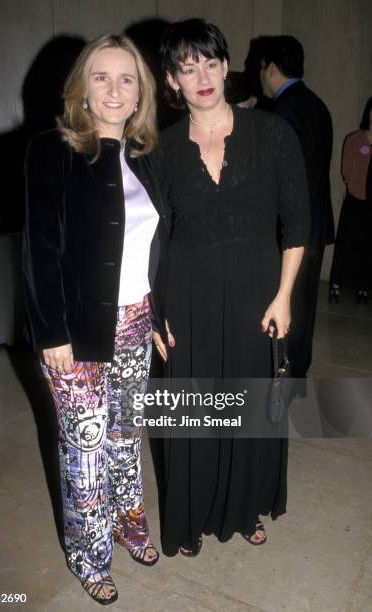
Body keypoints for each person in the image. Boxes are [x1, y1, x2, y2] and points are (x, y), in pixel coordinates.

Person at [151, 19, 309, 556]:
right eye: (187, 67)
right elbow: (156, 235)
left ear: (226, 66)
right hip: (189, 296)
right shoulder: (163, 149)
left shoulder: (272, 134)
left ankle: (244, 507)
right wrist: (157, 310)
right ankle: (191, 514)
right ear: (171, 80)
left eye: (210, 63)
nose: (202, 76)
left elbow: (298, 222)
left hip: (257, 293)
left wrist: (284, 295)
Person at [23, 34, 164, 605]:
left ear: (140, 94)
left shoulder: (147, 156)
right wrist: (50, 331)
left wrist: (158, 313)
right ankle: (88, 552)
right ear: (82, 87)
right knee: (84, 447)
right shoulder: (51, 150)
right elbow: (38, 250)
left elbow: (159, 247)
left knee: (125, 434)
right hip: (75, 329)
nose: (113, 89)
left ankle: (130, 524)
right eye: (101, 77)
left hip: (135, 319)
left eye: (126, 78)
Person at [259, 35, 334, 379]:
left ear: (270, 68)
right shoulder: (317, 104)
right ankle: (297, 372)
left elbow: (276, 178)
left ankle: (281, 374)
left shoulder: (281, 111)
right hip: (316, 223)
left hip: (291, 229)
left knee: (284, 302)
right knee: (305, 306)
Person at [329, 97, 372, 304]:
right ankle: (335, 285)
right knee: (345, 243)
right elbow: (345, 169)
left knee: (367, 246)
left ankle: (363, 287)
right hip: (354, 198)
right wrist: (350, 185)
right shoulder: (354, 139)